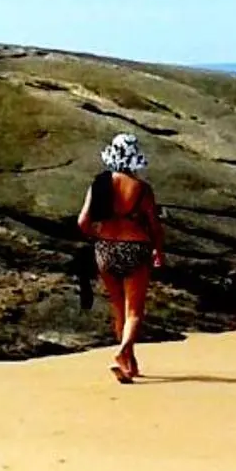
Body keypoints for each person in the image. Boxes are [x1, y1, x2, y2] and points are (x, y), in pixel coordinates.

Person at [76, 132, 164, 383]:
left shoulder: (99, 184)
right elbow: (154, 226)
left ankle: (129, 365)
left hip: (105, 249)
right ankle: (124, 351)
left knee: (119, 309)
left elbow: (82, 221)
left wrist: (97, 236)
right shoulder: (142, 189)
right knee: (134, 310)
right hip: (136, 249)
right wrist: (158, 250)